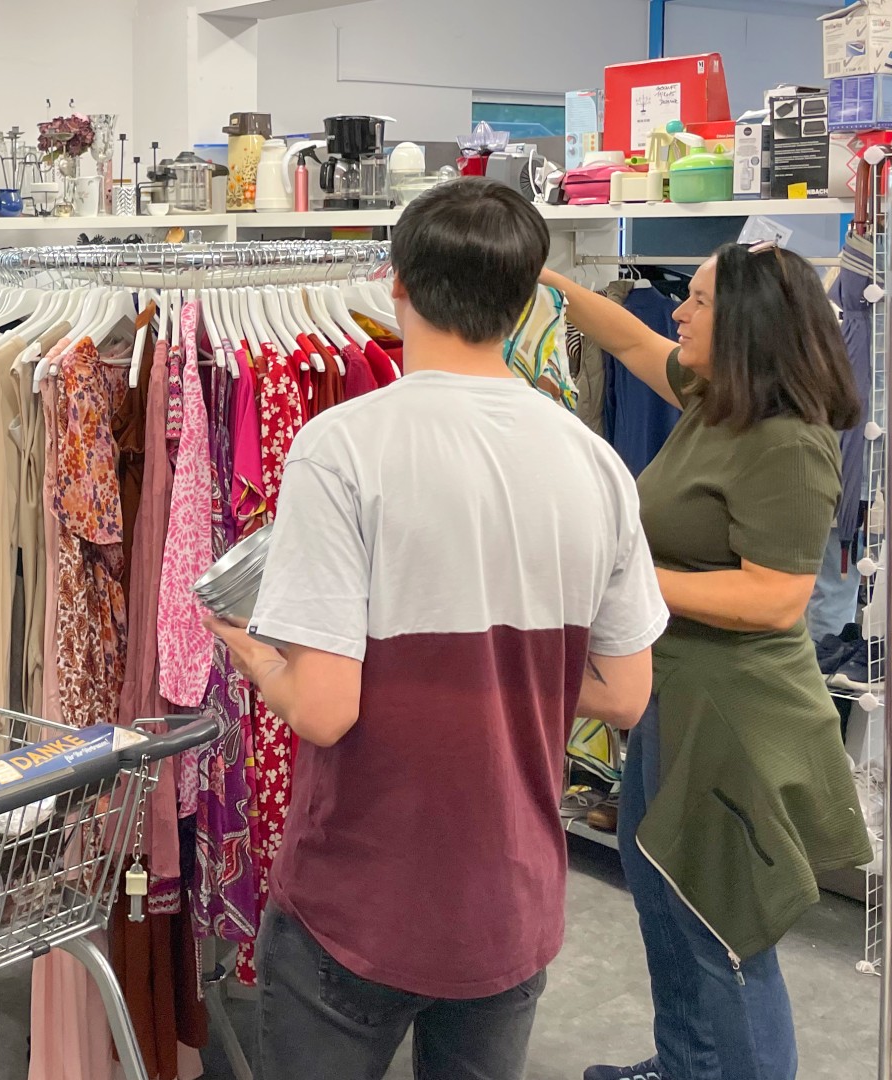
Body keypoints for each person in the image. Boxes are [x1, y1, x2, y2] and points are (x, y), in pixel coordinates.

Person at [207, 178, 670, 1080]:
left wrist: (257, 653)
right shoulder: (596, 463)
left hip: (362, 895)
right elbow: (625, 694)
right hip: (510, 894)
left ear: (396, 286)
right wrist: (503, 660)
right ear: (529, 299)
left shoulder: (342, 447)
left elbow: (325, 710)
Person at [546, 245, 871, 1080]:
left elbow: (775, 599)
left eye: (697, 299)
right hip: (671, 694)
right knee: (664, 898)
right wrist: (538, 280)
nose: (678, 313)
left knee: (723, 926)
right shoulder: (715, 400)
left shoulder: (788, 441)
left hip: (736, 716)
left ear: (752, 324)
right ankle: (686, 1064)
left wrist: (627, 576)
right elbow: (624, 339)